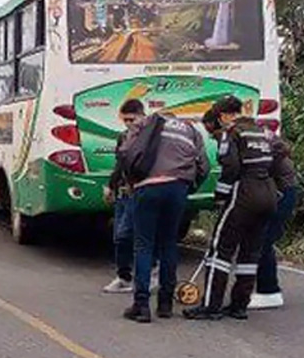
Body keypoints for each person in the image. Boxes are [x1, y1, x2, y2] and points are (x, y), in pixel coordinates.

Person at [184, 96, 278, 321]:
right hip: (268, 194)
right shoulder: (260, 131)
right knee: (250, 252)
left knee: (220, 250)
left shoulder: (232, 133)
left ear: (224, 116)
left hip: (244, 194)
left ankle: (211, 306)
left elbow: (231, 167)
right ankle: (239, 305)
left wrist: (220, 196)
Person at [120, 110, 210, 323]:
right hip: (178, 187)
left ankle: (141, 306)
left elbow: (125, 152)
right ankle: (165, 304)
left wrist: (130, 181)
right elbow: (204, 166)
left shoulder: (147, 123)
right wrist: (189, 187)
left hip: (147, 187)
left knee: (144, 245)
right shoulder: (190, 130)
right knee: (169, 244)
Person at [249, 128, 298, 310]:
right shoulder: (264, 137)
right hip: (281, 192)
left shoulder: (258, 145)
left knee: (263, 241)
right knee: (260, 241)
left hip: (280, 193)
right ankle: (265, 289)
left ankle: (269, 291)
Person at [104, 100, 147, 293]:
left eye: (132, 119)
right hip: (123, 191)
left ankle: (145, 273)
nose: (129, 124)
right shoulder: (123, 137)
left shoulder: (148, 137)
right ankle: (124, 276)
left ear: (141, 116)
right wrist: (110, 186)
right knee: (119, 236)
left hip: (139, 191)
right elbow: (119, 165)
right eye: (125, 120)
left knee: (133, 235)